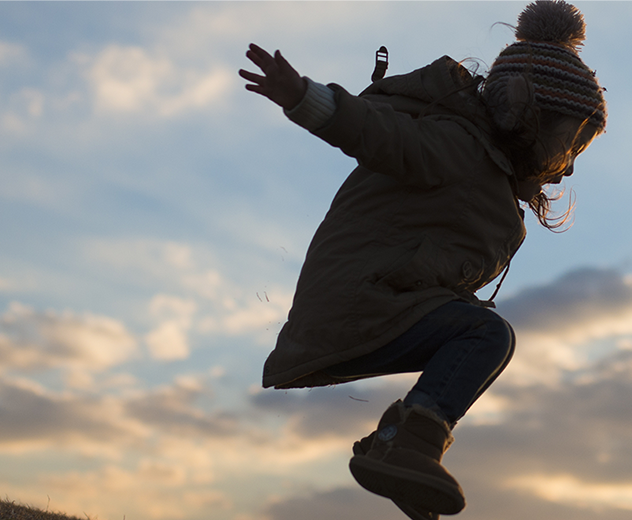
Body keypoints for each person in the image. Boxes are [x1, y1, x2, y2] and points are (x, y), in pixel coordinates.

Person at [237, 1, 606, 517]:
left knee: (479, 329)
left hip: (376, 304)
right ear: (526, 116)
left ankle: (396, 445)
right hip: (358, 303)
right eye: (567, 145)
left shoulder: (490, 181)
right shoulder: (455, 145)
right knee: (485, 335)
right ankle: (408, 444)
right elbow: (381, 135)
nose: (565, 170)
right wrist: (305, 99)